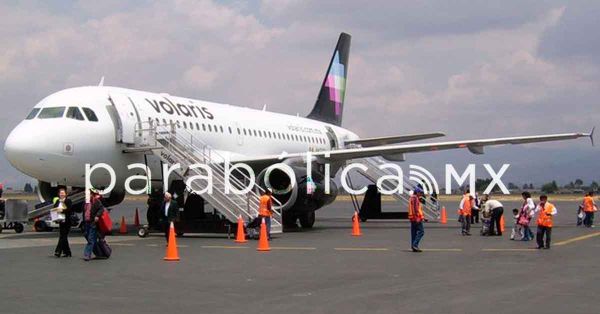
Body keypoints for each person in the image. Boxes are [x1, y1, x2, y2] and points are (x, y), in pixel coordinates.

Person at [83, 189, 105, 261]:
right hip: (86, 222)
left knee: (90, 239)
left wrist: (97, 216)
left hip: (93, 222)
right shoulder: (85, 202)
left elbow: (101, 209)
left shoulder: (96, 201)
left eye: (88, 194)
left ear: (92, 194)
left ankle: (87, 255)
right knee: (90, 238)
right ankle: (99, 253)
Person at [53, 188, 73, 257]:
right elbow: (54, 208)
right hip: (61, 221)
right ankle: (67, 252)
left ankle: (58, 251)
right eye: (61, 193)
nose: (62, 194)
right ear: (59, 194)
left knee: (63, 236)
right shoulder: (57, 201)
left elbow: (69, 209)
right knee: (63, 236)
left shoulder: (68, 201)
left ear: (66, 194)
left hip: (67, 221)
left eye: (63, 193)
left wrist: (62, 210)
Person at [408, 188, 425, 252]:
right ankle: (415, 245)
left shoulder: (412, 198)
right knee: (421, 232)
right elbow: (415, 209)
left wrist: (423, 217)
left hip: (412, 218)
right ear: (417, 192)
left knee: (414, 233)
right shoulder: (415, 198)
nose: (421, 194)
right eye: (420, 193)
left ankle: (413, 246)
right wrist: (418, 217)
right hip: (416, 218)